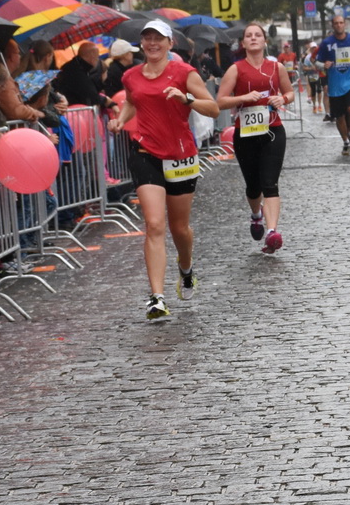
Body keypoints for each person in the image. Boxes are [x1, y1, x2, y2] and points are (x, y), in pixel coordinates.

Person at [107, 19, 220, 319]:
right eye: (147, 38)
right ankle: (156, 298)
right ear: (141, 44)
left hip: (181, 155)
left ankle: (186, 269)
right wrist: (120, 119)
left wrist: (187, 98)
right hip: (145, 153)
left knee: (178, 228)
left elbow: (213, 108)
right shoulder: (131, 75)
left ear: (170, 43)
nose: (152, 43)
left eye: (159, 38)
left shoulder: (184, 73)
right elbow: (132, 102)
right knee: (154, 224)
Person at [215, 22, 295, 254]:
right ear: (243, 43)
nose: (253, 38)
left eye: (257, 35)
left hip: (273, 131)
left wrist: (283, 99)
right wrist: (244, 97)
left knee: (270, 183)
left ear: (264, 41)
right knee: (253, 186)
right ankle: (256, 214)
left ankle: (272, 232)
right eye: (248, 36)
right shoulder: (236, 69)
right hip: (246, 134)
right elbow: (220, 101)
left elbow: (288, 92)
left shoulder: (275, 66)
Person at [316, 14, 350, 153]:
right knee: (339, 116)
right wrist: (323, 65)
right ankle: (345, 141)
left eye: (341, 23)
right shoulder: (327, 43)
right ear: (332, 25)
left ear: (345, 24)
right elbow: (317, 61)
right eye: (336, 23)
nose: (339, 25)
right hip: (335, 84)